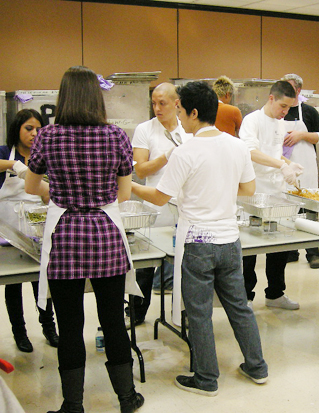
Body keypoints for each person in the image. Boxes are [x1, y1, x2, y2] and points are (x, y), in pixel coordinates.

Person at [131, 81, 268, 396]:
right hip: (229, 240)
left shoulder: (186, 151)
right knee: (239, 306)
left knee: (200, 313)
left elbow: (160, 197)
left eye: (180, 110)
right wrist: (219, 189)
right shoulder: (236, 146)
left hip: (198, 243)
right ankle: (257, 367)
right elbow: (248, 189)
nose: (178, 116)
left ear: (193, 113)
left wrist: (130, 185)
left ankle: (206, 379)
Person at [25, 66, 144, 413]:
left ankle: (73, 405)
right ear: (96, 96)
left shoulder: (48, 136)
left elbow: (32, 187)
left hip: (65, 238)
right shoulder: (116, 136)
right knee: (113, 321)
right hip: (106, 236)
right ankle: (127, 398)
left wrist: (62, 195)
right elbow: (123, 195)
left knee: (70, 326)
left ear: (63, 96)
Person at [127, 82, 191, 327]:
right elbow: (141, 170)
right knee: (145, 265)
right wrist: (167, 156)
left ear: (177, 103)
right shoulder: (145, 129)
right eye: (153, 103)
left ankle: (182, 313)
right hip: (155, 204)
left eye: (162, 103)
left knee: (183, 262)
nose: (157, 108)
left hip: (183, 205)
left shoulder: (188, 128)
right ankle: (136, 312)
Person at [239, 80, 303, 310]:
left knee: (279, 244)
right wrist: (281, 164)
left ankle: (275, 294)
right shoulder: (252, 120)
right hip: (254, 191)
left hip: (276, 192)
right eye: (282, 106)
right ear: (271, 98)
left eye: (289, 108)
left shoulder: (280, 123)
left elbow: (274, 153)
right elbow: (251, 152)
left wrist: (288, 163)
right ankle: (245, 297)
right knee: (250, 248)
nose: (285, 112)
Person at [0, 109, 59, 353]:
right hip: (9, 232)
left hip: (38, 227)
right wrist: (14, 165)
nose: (34, 133)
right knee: (13, 284)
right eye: (29, 128)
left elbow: (48, 193)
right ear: (17, 129)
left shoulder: (44, 156)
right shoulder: (5, 152)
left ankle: (49, 328)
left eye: (38, 129)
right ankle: (20, 333)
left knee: (41, 281)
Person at [281, 73, 319, 269]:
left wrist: (302, 135)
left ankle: (313, 253)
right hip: (284, 168)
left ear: (298, 90)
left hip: (305, 168)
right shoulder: (279, 111)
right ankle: (290, 250)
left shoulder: (308, 111)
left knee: (309, 210)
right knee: (287, 210)